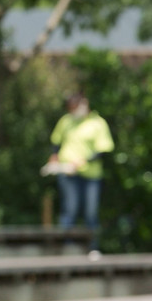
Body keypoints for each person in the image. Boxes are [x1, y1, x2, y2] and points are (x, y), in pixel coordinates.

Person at [41, 93, 114, 257]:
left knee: (90, 212)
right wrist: (54, 157)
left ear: (84, 104)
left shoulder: (98, 123)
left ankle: (92, 248)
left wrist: (83, 161)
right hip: (67, 173)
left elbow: (103, 150)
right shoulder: (66, 121)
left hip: (91, 175)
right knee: (69, 210)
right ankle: (66, 248)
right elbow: (56, 141)